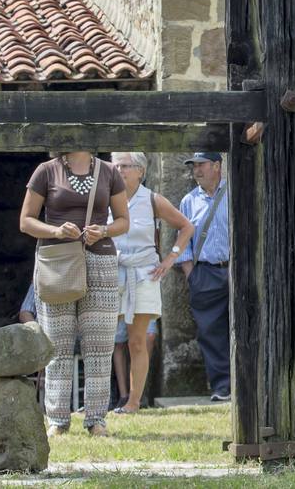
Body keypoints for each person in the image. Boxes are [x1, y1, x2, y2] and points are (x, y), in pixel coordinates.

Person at [20, 151, 130, 436]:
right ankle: (57, 419)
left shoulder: (108, 171)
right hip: (58, 261)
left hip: (101, 261)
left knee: (100, 345)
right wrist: (56, 232)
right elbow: (26, 221)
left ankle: (96, 419)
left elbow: (123, 221)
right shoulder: (46, 170)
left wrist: (103, 230)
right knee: (57, 343)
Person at [111, 151, 192, 413]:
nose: (119, 170)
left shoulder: (152, 199)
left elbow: (186, 226)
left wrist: (171, 258)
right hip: (112, 271)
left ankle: (134, 402)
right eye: (116, 165)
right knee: (105, 341)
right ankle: (100, 401)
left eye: (125, 166)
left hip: (143, 273)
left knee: (137, 341)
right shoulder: (105, 198)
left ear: (140, 171)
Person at [175, 151, 232, 401]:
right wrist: (191, 273)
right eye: (194, 166)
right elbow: (182, 240)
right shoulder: (188, 201)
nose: (196, 170)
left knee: (247, 326)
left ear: (217, 166)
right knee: (210, 331)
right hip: (205, 272)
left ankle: (248, 382)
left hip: (236, 269)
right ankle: (222, 386)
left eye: (202, 165)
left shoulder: (234, 194)